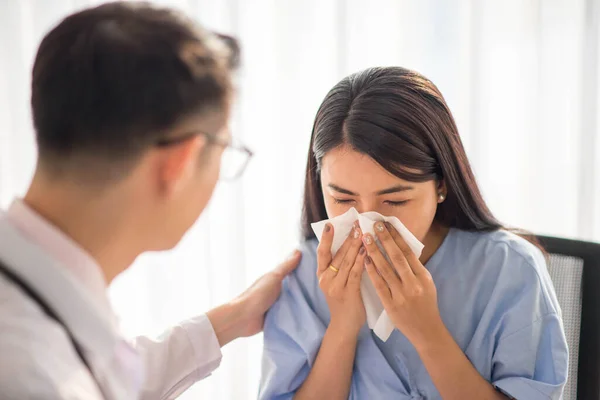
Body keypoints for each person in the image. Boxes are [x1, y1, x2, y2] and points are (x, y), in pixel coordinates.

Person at [0, 2, 301, 399]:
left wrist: (231, 319)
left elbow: (111, 374)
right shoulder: (36, 378)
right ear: (180, 163)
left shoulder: (35, 313)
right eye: (225, 149)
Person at [260, 67, 568, 399]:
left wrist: (427, 332)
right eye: (343, 198)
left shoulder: (510, 269)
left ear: (441, 184)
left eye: (395, 199)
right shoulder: (304, 273)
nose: (368, 221)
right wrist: (343, 328)